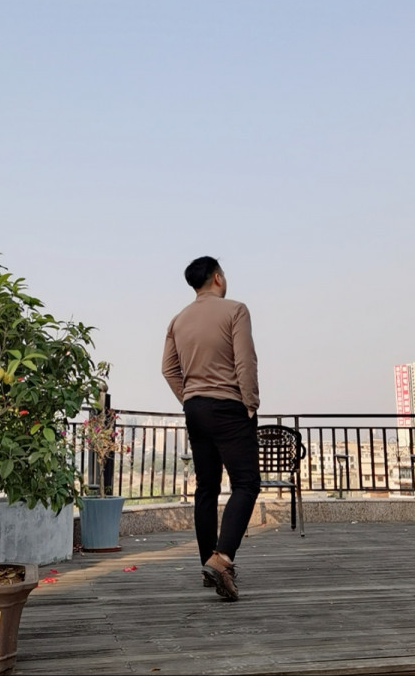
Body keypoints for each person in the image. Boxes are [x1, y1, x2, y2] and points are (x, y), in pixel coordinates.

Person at [161, 256, 260, 601]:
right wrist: (250, 403)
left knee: (206, 488)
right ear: (217, 277)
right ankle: (222, 559)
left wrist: (189, 397)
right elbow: (245, 360)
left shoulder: (178, 320)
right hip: (229, 406)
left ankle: (208, 564)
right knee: (246, 483)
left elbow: (168, 369)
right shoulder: (235, 310)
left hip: (195, 408)